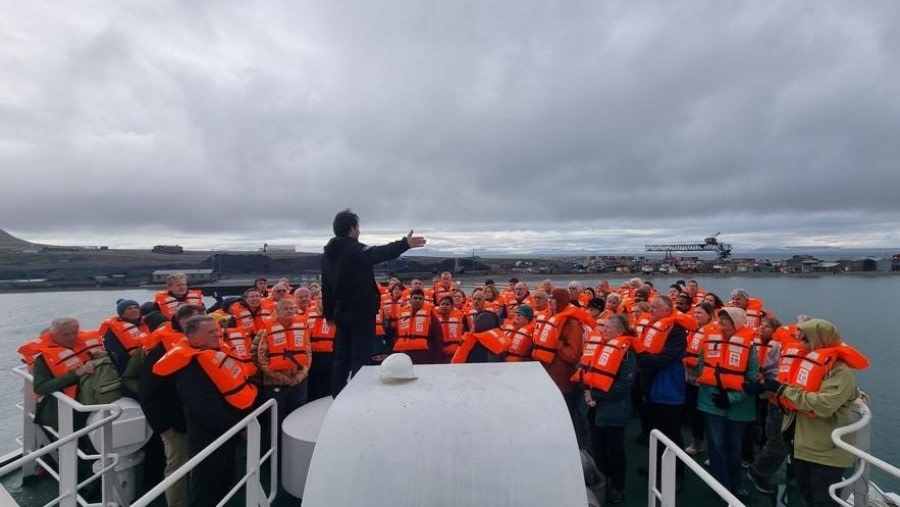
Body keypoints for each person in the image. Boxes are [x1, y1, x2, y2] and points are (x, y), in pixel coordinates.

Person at [751, 318, 869, 507]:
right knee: (807, 494)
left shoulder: (840, 373)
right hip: (801, 446)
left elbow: (823, 404)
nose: (800, 345)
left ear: (820, 340)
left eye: (805, 340)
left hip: (825, 453)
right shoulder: (805, 363)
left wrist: (782, 390)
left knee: (823, 501)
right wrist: (764, 389)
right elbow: (792, 389)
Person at [153, 315, 257, 507]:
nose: (217, 335)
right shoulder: (191, 369)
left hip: (227, 431)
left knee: (224, 481)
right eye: (210, 332)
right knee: (205, 489)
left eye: (217, 331)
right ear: (192, 337)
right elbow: (206, 410)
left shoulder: (216, 355)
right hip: (208, 437)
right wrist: (240, 428)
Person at [321, 209, 425, 396]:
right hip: (360, 314)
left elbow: (325, 287)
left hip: (340, 314)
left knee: (341, 358)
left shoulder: (329, 254)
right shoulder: (354, 249)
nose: (359, 232)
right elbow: (378, 253)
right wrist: (404, 244)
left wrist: (329, 315)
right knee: (360, 359)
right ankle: (359, 397)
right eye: (358, 227)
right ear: (352, 229)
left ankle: (338, 397)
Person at [139, 304, 204, 507]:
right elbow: (148, 393)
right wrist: (163, 428)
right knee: (177, 465)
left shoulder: (203, 348)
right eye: (191, 323)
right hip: (175, 424)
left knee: (198, 462)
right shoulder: (161, 351)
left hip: (198, 419)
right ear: (181, 323)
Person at [696, 307, 758, 499]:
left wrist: (731, 398)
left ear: (737, 322)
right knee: (716, 446)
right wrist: (717, 394)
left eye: (726, 319)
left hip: (739, 407)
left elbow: (752, 378)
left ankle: (737, 485)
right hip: (711, 402)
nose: (721, 321)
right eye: (720, 318)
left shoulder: (749, 346)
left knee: (734, 447)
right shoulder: (709, 341)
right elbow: (702, 367)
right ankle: (721, 486)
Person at [582, 314, 637, 504]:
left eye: (608, 328)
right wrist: (588, 392)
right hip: (595, 409)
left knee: (615, 450)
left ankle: (617, 486)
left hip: (614, 410)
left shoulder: (627, 353)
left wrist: (595, 396)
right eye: (603, 328)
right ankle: (602, 482)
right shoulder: (599, 348)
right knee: (598, 447)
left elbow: (624, 386)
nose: (604, 331)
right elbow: (588, 373)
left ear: (620, 331)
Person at [635, 296, 690, 484]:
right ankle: (656, 468)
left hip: (668, 388)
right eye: (650, 308)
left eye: (655, 308)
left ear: (668, 310)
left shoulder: (676, 331)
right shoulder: (651, 328)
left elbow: (666, 358)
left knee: (671, 433)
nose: (650, 311)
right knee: (654, 430)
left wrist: (642, 360)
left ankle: (677, 475)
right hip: (650, 386)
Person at [256, 299, 311, 449]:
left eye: (292, 308)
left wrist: (299, 376)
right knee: (275, 423)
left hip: (299, 383)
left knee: (297, 419)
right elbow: (262, 358)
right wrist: (282, 378)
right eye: (285, 308)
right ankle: (274, 458)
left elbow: (307, 354)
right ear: (277, 311)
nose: (289, 310)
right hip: (275, 384)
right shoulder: (266, 330)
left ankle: (294, 451)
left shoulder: (301, 328)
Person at [388, 289, 443, 364]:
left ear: (424, 301)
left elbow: (439, 339)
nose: (417, 301)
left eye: (420, 299)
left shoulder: (430, 316)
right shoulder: (402, 315)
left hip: (425, 357)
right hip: (405, 356)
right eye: (415, 298)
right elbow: (397, 337)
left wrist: (437, 360)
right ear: (410, 300)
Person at [100, 299, 148, 376]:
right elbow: (115, 354)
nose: (134, 310)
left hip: (147, 361)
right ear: (121, 313)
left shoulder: (147, 324)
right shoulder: (113, 331)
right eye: (130, 309)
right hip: (128, 367)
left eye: (136, 308)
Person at [435, 296, 465, 361]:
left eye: (447, 304)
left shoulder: (460, 316)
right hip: (439, 352)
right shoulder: (434, 317)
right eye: (442, 304)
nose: (444, 306)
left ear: (452, 306)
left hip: (455, 352)